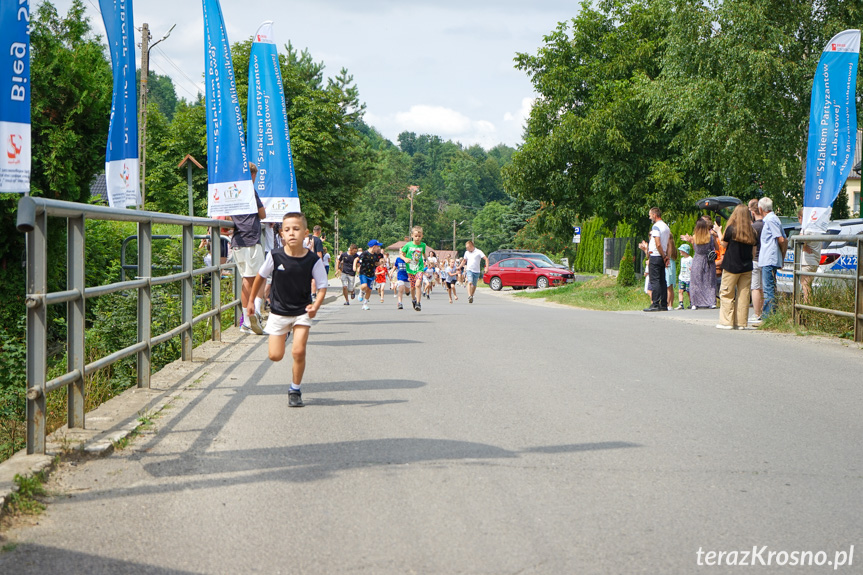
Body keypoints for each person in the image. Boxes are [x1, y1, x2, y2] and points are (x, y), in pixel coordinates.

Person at [245, 212, 327, 408]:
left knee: (298, 351)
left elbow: (323, 286)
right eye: (287, 230)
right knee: (275, 356)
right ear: (281, 234)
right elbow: (260, 276)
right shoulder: (275, 256)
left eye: (296, 229)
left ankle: (295, 389)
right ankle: (286, 333)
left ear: (306, 233)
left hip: (302, 310)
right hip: (278, 312)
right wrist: (250, 302)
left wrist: (315, 306)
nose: (292, 233)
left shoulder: (312, 260)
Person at [231, 162, 268, 335]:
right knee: (260, 277)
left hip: (237, 240)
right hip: (251, 238)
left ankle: (246, 319)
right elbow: (263, 215)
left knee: (246, 278)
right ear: (252, 175)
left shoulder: (232, 191)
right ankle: (255, 312)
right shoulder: (250, 191)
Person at [717, 205, 757, 329]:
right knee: (743, 295)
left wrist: (718, 231)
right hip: (746, 267)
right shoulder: (752, 231)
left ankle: (727, 322)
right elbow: (754, 252)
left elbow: (723, 244)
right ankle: (741, 323)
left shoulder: (731, 229)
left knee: (727, 293)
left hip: (731, 266)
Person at [758, 197, 787, 318]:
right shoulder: (772, 219)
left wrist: (783, 256)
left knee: (768, 289)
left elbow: (781, 239)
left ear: (760, 209)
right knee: (770, 288)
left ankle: (768, 316)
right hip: (770, 258)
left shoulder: (770, 220)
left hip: (769, 258)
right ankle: (770, 315)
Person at [686, 218, 717, 309]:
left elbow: (695, 249)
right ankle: (711, 301)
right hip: (708, 260)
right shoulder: (710, 237)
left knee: (696, 282)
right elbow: (715, 248)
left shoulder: (695, 237)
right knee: (709, 281)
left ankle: (695, 303)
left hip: (697, 260)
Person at [643, 207, 670, 312]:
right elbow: (666, 243)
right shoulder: (666, 227)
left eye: (650, 215)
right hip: (662, 255)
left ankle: (655, 303)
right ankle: (664, 303)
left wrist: (663, 255)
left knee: (655, 280)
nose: (650, 217)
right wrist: (665, 255)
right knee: (662, 280)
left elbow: (658, 243)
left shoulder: (656, 227)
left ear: (654, 215)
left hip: (655, 255)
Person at [797, 208, 821, 304]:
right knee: (808, 285)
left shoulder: (806, 228)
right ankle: (808, 306)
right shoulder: (816, 228)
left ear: (801, 218)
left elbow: (800, 240)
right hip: (815, 260)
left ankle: (807, 307)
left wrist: (803, 246)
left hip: (807, 261)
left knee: (805, 286)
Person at [401, 226, 428, 311]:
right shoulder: (408, 245)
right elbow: (401, 254)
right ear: (412, 235)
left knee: (418, 284)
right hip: (410, 269)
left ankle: (418, 303)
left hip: (419, 268)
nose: (417, 238)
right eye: (416, 236)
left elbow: (423, 254)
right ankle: (413, 299)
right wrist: (405, 259)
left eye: (419, 236)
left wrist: (427, 260)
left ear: (422, 236)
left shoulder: (423, 245)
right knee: (412, 287)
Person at [748, 199, 765, 322]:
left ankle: (756, 313)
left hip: (755, 258)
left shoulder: (753, 227)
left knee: (755, 287)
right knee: (764, 287)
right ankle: (765, 312)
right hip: (765, 258)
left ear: (753, 212)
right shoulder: (767, 224)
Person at [358, 240, 383, 310]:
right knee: (364, 286)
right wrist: (355, 267)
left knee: (369, 290)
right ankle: (361, 292)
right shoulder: (364, 253)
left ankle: (365, 304)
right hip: (363, 272)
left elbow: (376, 263)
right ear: (374, 246)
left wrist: (381, 263)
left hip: (371, 274)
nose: (378, 248)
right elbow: (357, 259)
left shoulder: (375, 255)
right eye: (377, 246)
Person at [461, 240, 489, 304]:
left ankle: (471, 296)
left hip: (476, 271)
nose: (466, 249)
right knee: (469, 282)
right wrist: (459, 267)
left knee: (474, 285)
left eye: (467, 247)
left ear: (471, 246)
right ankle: (469, 296)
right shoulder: (466, 253)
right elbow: (464, 261)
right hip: (469, 270)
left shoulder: (478, 252)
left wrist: (487, 268)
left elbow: (486, 259)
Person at [677, 244, 692, 309]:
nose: (680, 251)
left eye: (681, 250)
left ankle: (691, 303)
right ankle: (681, 304)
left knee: (689, 291)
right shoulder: (682, 259)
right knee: (680, 290)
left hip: (688, 278)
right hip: (682, 277)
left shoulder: (690, 259)